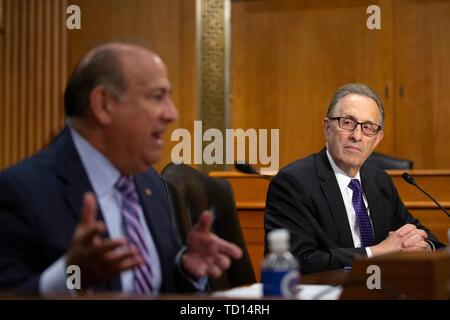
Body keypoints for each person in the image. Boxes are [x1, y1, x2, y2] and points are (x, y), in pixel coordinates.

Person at [0, 42, 242, 295]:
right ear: (103, 104)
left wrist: (185, 269)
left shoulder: (149, 182)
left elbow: (156, 286)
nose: (172, 113)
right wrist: (70, 276)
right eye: (157, 97)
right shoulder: (19, 191)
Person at [265, 83, 444, 275]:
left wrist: (424, 248)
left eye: (368, 128)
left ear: (377, 139)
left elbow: (426, 238)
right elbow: (296, 261)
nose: (357, 136)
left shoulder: (379, 181)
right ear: (327, 128)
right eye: (348, 123)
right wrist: (377, 251)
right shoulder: (293, 183)